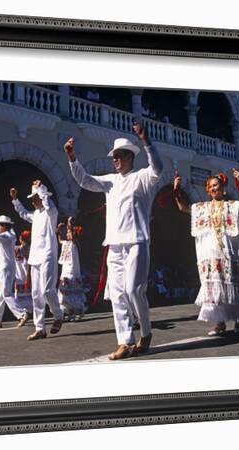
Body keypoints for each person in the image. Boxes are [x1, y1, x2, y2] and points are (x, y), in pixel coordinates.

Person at [64, 122, 163, 360]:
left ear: (130, 157)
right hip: (114, 244)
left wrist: (146, 141)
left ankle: (146, 332)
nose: (115, 160)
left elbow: (158, 167)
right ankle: (125, 341)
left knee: (134, 290)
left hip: (137, 242)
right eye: (114, 157)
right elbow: (84, 180)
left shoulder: (143, 178)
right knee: (118, 294)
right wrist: (72, 158)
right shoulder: (110, 181)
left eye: (119, 156)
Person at [173, 169, 239, 335]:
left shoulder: (232, 205)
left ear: (223, 188)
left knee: (232, 285)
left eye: (217, 185)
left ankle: (238, 319)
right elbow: (183, 207)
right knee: (215, 288)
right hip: (210, 254)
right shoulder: (202, 208)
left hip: (228, 252)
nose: (214, 189)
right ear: (208, 191)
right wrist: (177, 190)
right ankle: (220, 323)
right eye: (211, 187)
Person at [11, 180, 64, 340]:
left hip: (48, 254)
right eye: (32, 199)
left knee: (48, 290)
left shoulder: (51, 213)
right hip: (35, 256)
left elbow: (48, 205)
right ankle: (40, 328)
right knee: (35, 294)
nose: (33, 201)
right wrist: (15, 200)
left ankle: (58, 315)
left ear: (42, 197)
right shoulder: (36, 215)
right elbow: (23, 213)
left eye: (36, 198)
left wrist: (40, 189)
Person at [57, 217, 87, 321]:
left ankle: (78, 311)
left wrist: (69, 224)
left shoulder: (75, 244)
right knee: (65, 292)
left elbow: (73, 237)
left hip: (72, 271)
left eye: (69, 232)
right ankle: (69, 311)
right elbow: (60, 240)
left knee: (73, 292)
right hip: (65, 270)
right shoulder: (66, 243)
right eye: (67, 232)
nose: (67, 234)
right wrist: (59, 231)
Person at [14, 230, 34, 322]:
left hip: (20, 277)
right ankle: (27, 313)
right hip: (28, 277)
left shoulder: (15, 249)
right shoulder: (32, 250)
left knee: (18, 298)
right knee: (29, 297)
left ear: (20, 239)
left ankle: (24, 313)